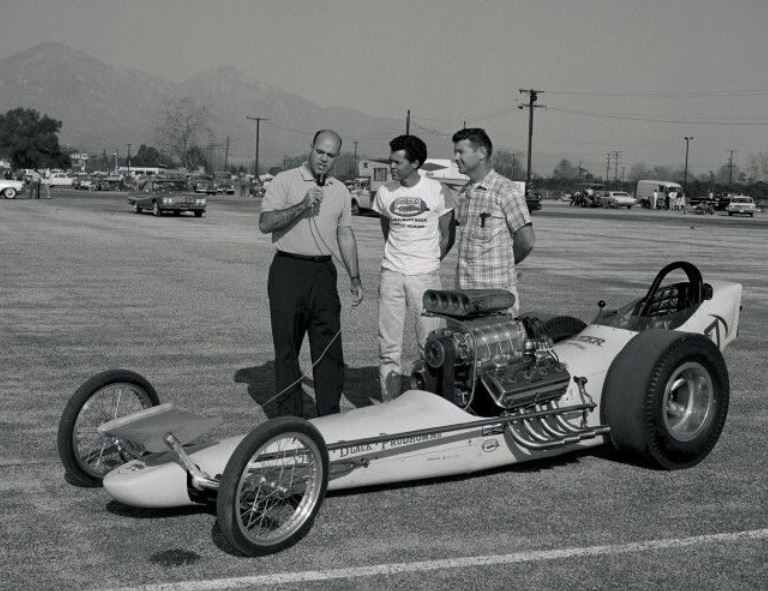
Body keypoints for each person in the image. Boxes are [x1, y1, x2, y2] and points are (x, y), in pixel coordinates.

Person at [259, 129, 363, 417]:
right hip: (288, 270)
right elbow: (266, 223)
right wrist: (303, 205)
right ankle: (290, 419)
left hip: (323, 274)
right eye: (320, 152)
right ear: (311, 148)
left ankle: (328, 416)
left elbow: (345, 234)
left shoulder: (340, 190)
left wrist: (355, 277)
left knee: (329, 348)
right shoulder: (285, 180)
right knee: (288, 348)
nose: (324, 159)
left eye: (331, 155)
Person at [373, 135, 456, 401]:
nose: (392, 167)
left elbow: (447, 235)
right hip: (392, 275)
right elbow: (388, 230)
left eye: (397, 162)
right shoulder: (385, 192)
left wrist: (429, 261)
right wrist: (400, 258)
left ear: (416, 163)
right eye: (390, 161)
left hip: (425, 276)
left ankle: (430, 402)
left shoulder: (438, 191)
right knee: (389, 346)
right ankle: (390, 404)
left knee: (431, 344)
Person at [451, 128, 535, 316]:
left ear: (481, 153)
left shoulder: (505, 190)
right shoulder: (465, 193)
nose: (456, 157)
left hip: (495, 296)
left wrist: (503, 266)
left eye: (461, 151)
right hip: (464, 293)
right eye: (455, 152)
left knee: (495, 345)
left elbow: (526, 241)